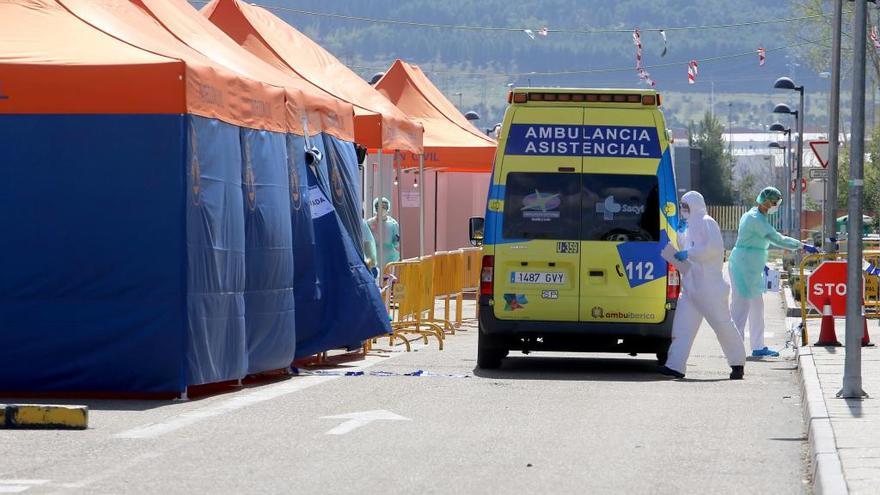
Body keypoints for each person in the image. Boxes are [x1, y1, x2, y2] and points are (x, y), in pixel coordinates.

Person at [659, 191, 747, 380]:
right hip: (691, 288)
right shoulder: (688, 227)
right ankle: (675, 366)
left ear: (694, 206)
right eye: (682, 206)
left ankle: (737, 363)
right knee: (682, 328)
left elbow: (712, 249)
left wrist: (688, 253)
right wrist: (680, 235)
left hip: (710, 289)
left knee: (723, 326)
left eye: (685, 206)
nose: (682, 210)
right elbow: (684, 248)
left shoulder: (708, 222)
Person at [728, 187, 818, 357]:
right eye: (775, 202)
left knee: (756, 308)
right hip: (743, 268)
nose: (776, 205)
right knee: (740, 309)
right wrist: (802, 245)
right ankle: (734, 349)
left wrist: (761, 264)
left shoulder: (757, 216)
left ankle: (757, 346)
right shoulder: (755, 219)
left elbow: (754, 243)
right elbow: (776, 238)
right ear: (766, 201)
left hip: (750, 267)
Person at [368, 197, 401, 269]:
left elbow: (396, 242)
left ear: (387, 208)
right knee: (375, 276)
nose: (381, 209)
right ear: (375, 208)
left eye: (384, 207)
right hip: (373, 254)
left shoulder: (393, 224)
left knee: (387, 277)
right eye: (379, 207)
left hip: (389, 256)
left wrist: (397, 241)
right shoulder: (370, 223)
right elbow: (366, 239)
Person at [360, 215, 379, 279]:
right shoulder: (363, 223)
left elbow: (368, 246)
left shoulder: (361, 223)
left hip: (368, 267)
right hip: (369, 266)